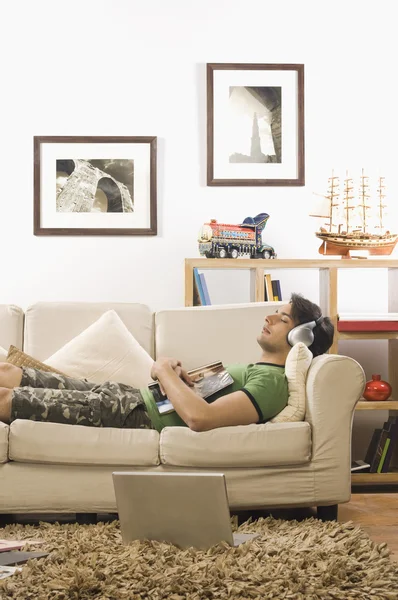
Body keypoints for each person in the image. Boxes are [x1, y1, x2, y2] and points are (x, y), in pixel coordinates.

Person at [0, 294, 334, 433]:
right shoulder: (257, 371)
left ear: (300, 337)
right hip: (127, 395)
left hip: (131, 412)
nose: (270, 317)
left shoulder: (271, 384)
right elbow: (197, 400)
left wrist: (161, 370)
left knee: (5, 399)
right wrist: (175, 378)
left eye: (284, 319)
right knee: (8, 372)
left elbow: (201, 418)